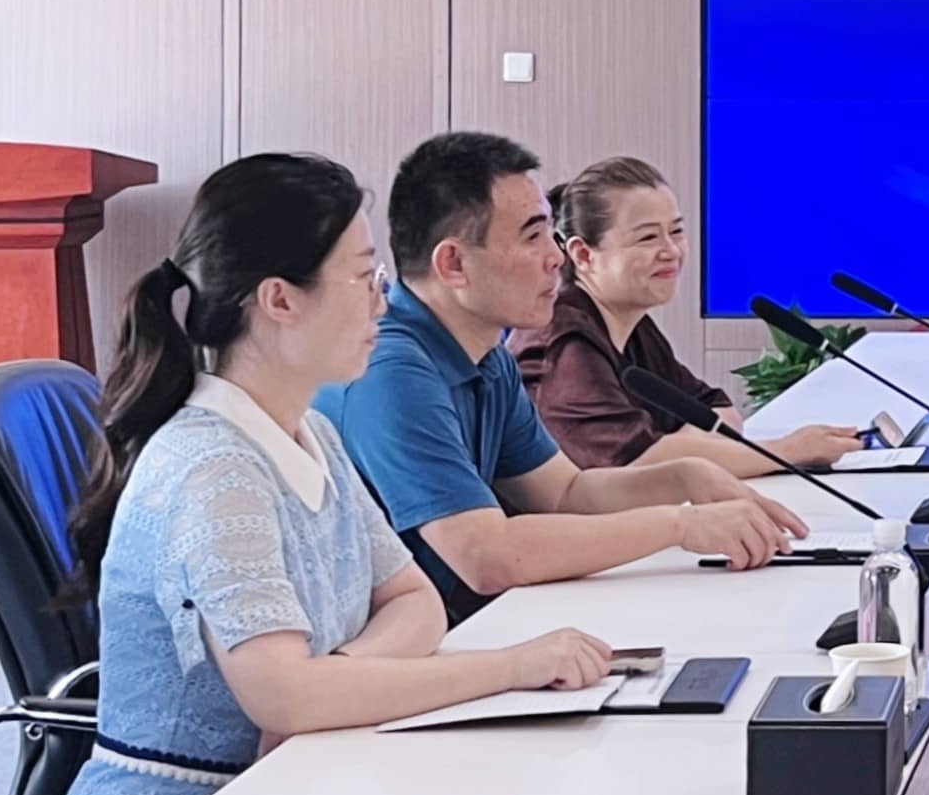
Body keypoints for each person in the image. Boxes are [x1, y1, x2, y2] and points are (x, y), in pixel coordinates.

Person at [44, 154, 623, 795]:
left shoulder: (311, 433)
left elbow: (413, 601)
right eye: (361, 278)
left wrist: (341, 679)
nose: (381, 302)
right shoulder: (213, 467)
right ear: (280, 300)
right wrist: (515, 666)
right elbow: (283, 697)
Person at [322, 131, 800, 615]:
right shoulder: (391, 370)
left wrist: (686, 477)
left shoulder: (487, 356)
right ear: (454, 263)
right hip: (401, 646)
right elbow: (486, 555)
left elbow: (565, 493)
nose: (556, 257)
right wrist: (680, 525)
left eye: (551, 233)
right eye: (532, 237)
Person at [517, 156, 866, 482]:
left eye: (676, 232)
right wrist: (787, 451)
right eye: (648, 237)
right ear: (582, 254)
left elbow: (718, 411)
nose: (671, 251)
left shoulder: (630, 323)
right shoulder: (564, 342)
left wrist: (676, 449)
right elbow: (635, 464)